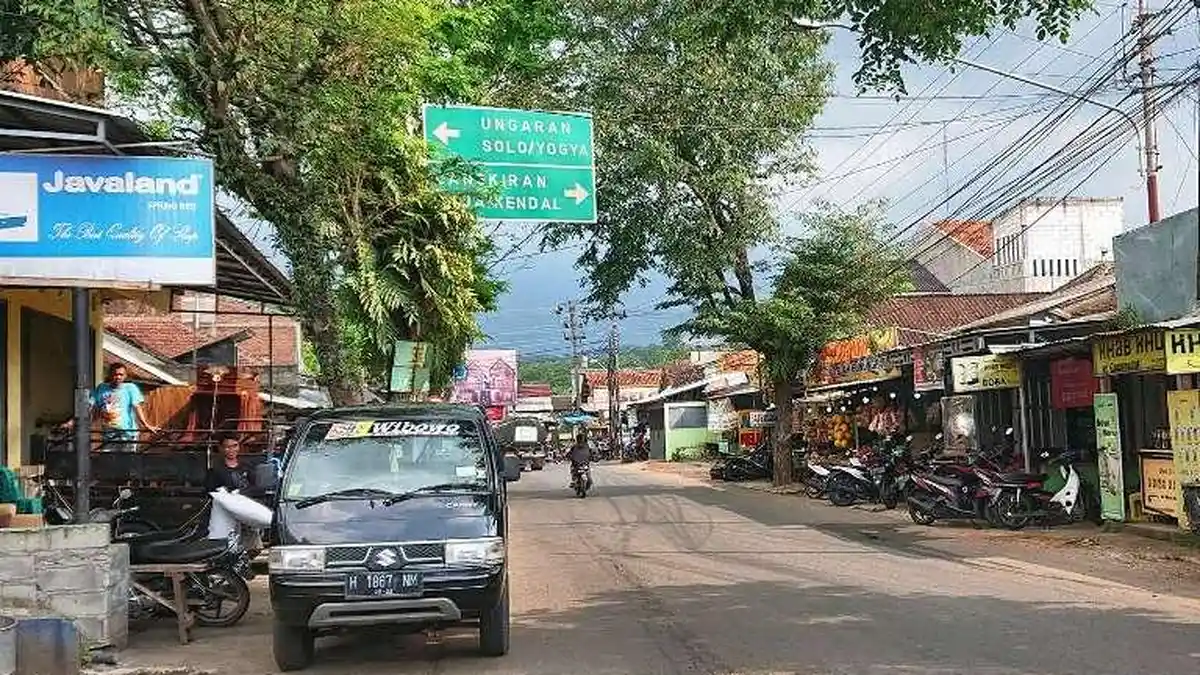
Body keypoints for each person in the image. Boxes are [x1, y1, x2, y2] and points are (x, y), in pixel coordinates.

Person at [62, 362, 158, 452]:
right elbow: (89, 406)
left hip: (127, 434)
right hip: (109, 434)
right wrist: (73, 421)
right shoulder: (102, 388)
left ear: (125, 376)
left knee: (127, 462)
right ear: (110, 375)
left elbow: (137, 407)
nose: (118, 377)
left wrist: (146, 424)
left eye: (121, 375)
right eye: (115, 374)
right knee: (108, 461)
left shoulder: (130, 388)